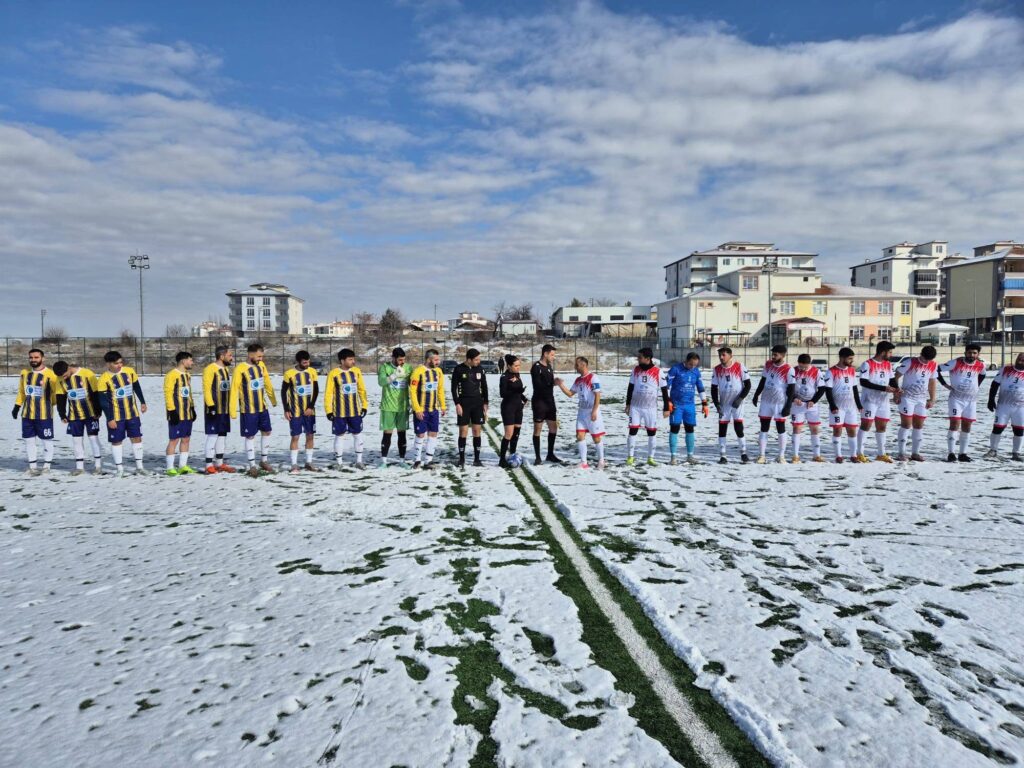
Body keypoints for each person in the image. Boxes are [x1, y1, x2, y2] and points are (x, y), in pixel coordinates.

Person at [97, 350, 148, 476]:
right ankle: (120, 469)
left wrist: (142, 402)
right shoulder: (103, 379)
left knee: (137, 437)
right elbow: (103, 402)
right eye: (116, 363)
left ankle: (139, 467)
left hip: (132, 413)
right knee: (117, 441)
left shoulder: (129, 371)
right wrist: (110, 419)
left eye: (121, 362)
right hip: (116, 416)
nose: (120, 365)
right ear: (108, 364)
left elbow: (136, 386)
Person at [229, 342, 277, 477]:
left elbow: (267, 382)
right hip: (248, 409)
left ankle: (264, 461)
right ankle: (252, 465)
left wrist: (273, 399)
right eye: (259, 356)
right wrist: (232, 410)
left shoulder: (261, 366)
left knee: (267, 431)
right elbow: (233, 390)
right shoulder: (240, 369)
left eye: (262, 356)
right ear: (250, 354)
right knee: (250, 435)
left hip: (262, 407)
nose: (261, 359)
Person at [12, 348, 60, 475]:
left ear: (43, 358)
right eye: (31, 357)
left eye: (36, 357)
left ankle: (46, 466)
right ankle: (32, 466)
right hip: (27, 414)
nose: (33, 360)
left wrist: (52, 405)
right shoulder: (24, 373)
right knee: (29, 440)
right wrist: (17, 406)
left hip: (44, 415)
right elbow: (22, 392)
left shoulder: (51, 375)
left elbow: (56, 395)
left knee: (46, 440)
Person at [53, 360, 104, 475]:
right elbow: (60, 397)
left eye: (65, 375)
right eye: (61, 376)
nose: (63, 377)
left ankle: (98, 466)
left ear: (69, 368)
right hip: (74, 416)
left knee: (93, 438)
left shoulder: (87, 374)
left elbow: (96, 393)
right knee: (76, 440)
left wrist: (98, 410)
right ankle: (79, 467)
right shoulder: (60, 379)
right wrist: (62, 414)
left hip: (91, 414)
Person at [937, 343, 986, 462]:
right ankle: (951, 453)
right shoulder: (956, 362)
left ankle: (963, 454)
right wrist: (944, 384)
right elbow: (936, 370)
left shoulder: (980, 365)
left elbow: (983, 375)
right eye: (969, 352)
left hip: (971, 400)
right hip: (956, 399)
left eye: (974, 353)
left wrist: (976, 386)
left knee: (967, 426)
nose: (972, 355)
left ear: (978, 354)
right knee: (954, 424)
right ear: (965, 353)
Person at [556, 356, 606, 469]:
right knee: (579, 435)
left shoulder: (593, 378)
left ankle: (601, 461)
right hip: (582, 412)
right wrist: (560, 384)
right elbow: (570, 394)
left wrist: (594, 411)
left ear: (583, 365)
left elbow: (598, 395)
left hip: (592, 412)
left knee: (596, 437)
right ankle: (584, 462)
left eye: (577, 365)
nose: (575, 367)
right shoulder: (578, 380)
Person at [893, 345, 939, 461]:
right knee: (906, 425)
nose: (926, 361)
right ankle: (901, 453)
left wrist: (932, 398)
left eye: (929, 360)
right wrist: (896, 393)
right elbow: (895, 377)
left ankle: (915, 453)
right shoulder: (910, 362)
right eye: (924, 359)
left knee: (919, 426)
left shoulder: (933, 364)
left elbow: (932, 382)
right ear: (921, 354)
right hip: (907, 398)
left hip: (921, 399)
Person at [625, 347, 669, 466]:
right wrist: (627, 404)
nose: (637, 359)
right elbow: (631, 387)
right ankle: (630, 457)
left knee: (651, 433)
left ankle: (650, 458)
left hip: (650, 408)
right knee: (632, 431)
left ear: (648, 358)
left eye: (640, 357)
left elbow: (664, 390)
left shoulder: (658, 371)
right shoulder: (635, 370)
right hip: (635, 407)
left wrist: (666, 408)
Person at [325, 348, 368, 469]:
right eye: (350, 359)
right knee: (340, 435)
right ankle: (339, 463)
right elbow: (328, 393)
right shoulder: (333, 373)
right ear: (342, 360)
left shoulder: (356, 371)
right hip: (339, 412)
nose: (353, 361)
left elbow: (361, 389)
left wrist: (364, 405)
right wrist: (328, 410)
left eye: (353, 359)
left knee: (357, 434)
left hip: (355, 411)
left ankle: (359, 461)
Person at [856, 341, 898, 462]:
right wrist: (883, 388)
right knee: (866, 425)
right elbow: (863, 382)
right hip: (869, 400)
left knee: (882, 426)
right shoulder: (867, 364)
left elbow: (891, 379)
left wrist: (897, 389)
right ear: (883, 352)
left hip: (883, 401)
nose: (891, 354)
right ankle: (860, 453)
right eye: (889, 352)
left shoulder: (887, 364)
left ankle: (881, 454)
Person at [666, 353, 708, 465]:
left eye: (695, 365)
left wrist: (704, 403)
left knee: (690, 429)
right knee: (675, 429)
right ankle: (673, 458)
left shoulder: (696, 372)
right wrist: (668, 401)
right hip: (676, 405)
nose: (692, 367)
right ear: (686, 360)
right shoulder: (675, 369)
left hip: (690, 405)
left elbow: (700, 387)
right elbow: (666, 386)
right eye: (690, 364)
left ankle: (690, 456)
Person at [710, 347, 751, 464]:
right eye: (720, 355)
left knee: (739, 427)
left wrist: (740, 399)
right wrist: (717, 404)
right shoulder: (716, 369)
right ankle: (723, 456)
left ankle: (743, 453)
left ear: (730, 355)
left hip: (737, 403)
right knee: (722, 428)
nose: (721, 357)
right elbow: (713, 388)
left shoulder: (740, 366)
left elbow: (748, 385)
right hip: (724, 404)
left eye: (723, 355)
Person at [751, 345, 791, 464]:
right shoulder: (768, 364)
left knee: (780, 428)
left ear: (783, 355)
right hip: (766, 402)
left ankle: (781, 456)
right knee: (764, 428)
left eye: (776, 354)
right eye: (772, 354)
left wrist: (788, 406)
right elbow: (763, 380)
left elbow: (792, 388)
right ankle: (762, 455)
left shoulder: (789, 369)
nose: (773, 356)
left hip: (779, 402)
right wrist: (756, 394)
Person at [282, 350, 320, 473]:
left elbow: (316, 390)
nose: (307, 364)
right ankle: (294, 464)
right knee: (295, 436)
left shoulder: (312, 372)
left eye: (308, 361)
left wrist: (311, 407)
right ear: (298, 362)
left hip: (309, 411)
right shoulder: (289, 374)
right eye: (304, 362)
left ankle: (309, 462)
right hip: (295, 411)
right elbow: (283, 392)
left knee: (310, 435)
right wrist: (286, 409)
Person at [786, 353, 827, 463]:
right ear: (798, 363)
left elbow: (822, 388)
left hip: (811, 405)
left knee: (814, 429)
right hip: (797, 404)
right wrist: (794, 398)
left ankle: (816, 455)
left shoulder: (816, 371)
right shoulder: (793, 371)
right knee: (797, 428)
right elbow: (788, 388)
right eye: (801, 366)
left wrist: (813, 401)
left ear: (809, 364)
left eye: (805, 367)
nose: (803, 369)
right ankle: (795, 456)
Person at [409, 349, 447, 469]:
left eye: (438, 359)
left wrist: (443, 406)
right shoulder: (418, 372)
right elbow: (413, 391)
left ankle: (428, 461)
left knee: (433, 433)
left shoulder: (439, 372)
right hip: (422, 409)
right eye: (436, 360)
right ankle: (417, 460)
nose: (438, 362)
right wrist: (417, 409)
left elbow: (440, 390)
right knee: (420, 434)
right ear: (428, 359)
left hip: (434, 409)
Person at [452, 348, 489, 468]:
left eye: (479, 359)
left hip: (477, 404)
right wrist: (457, 404)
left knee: (476, 431)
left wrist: (485, 402)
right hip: (463, 404)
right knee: (463, 431)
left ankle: (477, 459)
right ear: (469, 359)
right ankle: (461, 459)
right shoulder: (458, 369)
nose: (478, 361)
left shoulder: (480, 369)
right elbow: (454, 389)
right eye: (476, 359)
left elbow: (484, 386)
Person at [202, 345, 236, 474]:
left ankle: (219, 463)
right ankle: (208, 465)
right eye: (230, 355)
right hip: (214, 409)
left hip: (224, 409)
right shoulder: (210, 369)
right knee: (213, 435)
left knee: (222, 435)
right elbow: (206, 388)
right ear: (221, 356)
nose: (231, 358)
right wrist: (211, 406)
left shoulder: (225, 370)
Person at [824, 348, 862, 464]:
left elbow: (854, 388)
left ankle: (853, 455)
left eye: (852, 358)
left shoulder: (851, 370)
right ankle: (838, 456)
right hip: (838, 407)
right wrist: (832, 405)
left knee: (852, 431)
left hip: (851, 407)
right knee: (837, 431)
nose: (852, 361)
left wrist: (858, 404)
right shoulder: (831, 371)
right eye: (850, 358)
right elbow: (828, 390)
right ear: (842, 358)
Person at [985, 352, 1024, 461]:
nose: (1020, 361)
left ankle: (1016, 453)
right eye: (1019, 359)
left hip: (1021, 408)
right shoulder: (1006, 369)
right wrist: (991, 399)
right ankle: (993, 450)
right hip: (1003, 406)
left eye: (1023, 360)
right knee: (997, 428)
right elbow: (995, 384)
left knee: (1019, 430)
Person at [378, 347, 413, 468]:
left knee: (402, 434)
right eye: (399, 360)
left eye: (403, 360)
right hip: (388, 406)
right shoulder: (385, 367)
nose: (402, 362)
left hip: (402, 406)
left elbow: (413, 385)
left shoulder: (408, 368)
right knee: (387, 433)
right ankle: (383, 461)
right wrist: (393, 375)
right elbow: (381, 382)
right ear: (393, 358)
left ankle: (402, 461)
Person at [164, 351, 197, 476]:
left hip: (187, 413)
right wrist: (172, 410)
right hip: (176, 413)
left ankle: (183, 466)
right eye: (190, 360)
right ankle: (170, 468)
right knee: (174, 440)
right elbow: (168, 393)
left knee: (186, 439)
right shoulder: (172, 375)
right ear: (183, 361)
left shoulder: (187, 375)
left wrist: (192, 407)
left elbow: (188, 392)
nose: (192, 362)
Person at [530, 344, 563, 465]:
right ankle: (538, 457)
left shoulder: (549, 367)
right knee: (538, 429)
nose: (553, 357)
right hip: (539, 402)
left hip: (550, 402)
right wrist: (552, 383)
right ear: (545, 354)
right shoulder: (536, 367)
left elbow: (549, 383)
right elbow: (538, 386)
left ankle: (550, 454)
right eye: (552, 355)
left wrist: (554, 383)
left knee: (553, 428)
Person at [498, 354, 527, 467]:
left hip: (518, 407)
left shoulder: (517, 374)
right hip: (508, 407)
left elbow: (518, 390)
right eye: (516, 366)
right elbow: (503, 394)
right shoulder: (504, 377)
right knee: (508, 433)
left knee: (516, 432)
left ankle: (513, 454)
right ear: (509, 366)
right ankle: (502, 459)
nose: (518, 367)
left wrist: (523, 398)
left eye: (519, 365)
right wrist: (516, 391)